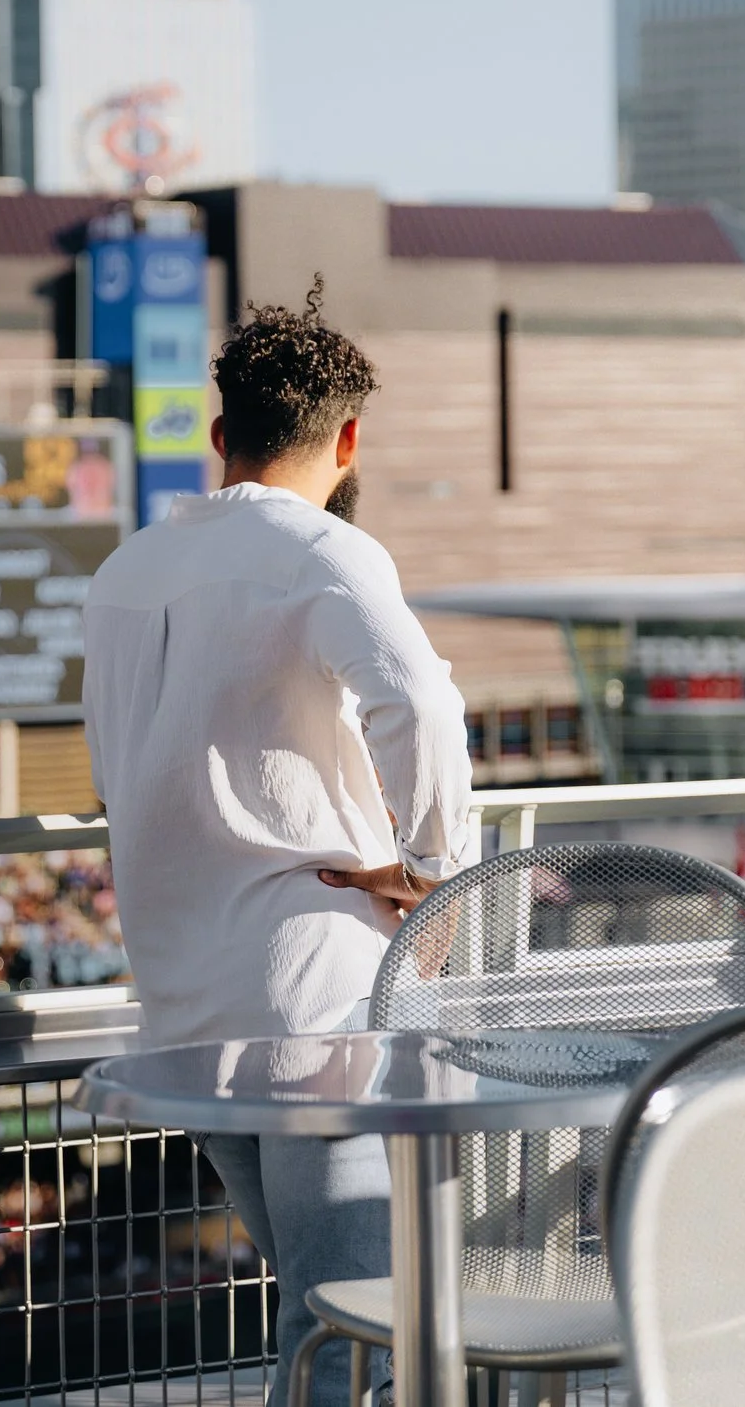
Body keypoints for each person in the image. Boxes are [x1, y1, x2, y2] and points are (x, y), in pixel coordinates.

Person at [82, 281, 473, 1407]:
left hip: (182, 999)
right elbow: (421, 706)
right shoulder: (326, 553)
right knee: (351, 1317)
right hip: (317, 990)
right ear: (348, 437)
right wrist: (439, 874)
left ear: (219, 436)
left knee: (321, 1306)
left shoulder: (122, 575)